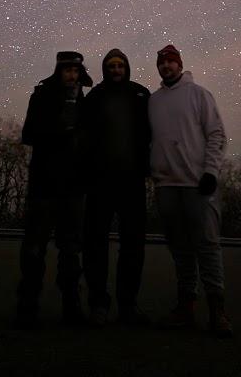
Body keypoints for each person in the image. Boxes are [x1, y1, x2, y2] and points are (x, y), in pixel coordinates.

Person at [148, 43, 232, 337]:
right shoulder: (154, 100)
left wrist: (211, 171)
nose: (166, 67)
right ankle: (186, 306)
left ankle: (217, 310)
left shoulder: (199, 95)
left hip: (196, 185)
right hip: (166, 186)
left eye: (171, 62)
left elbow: (217, 134)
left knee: (207, 246)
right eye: (161, 63)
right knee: (180, 250)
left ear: (179, 64)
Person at [16, 50, 92, 328]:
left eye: (76, 71)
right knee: (34, 248)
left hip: (73, 188)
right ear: (59, 72)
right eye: (67, 70)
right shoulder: (42, 97)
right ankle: (27, 306)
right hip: (44, 186)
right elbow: (29, 134)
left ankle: (72, 307)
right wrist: (62, 129)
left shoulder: (85, 104)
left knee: (71, 250)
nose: (72, 75)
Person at [81, 48, 150, 326]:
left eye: (121, 65)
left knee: (133, 245)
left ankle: (127, 305)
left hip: (132, 181)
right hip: (100, 181)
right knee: (95, 243)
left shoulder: (142, 95)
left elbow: (154, 132)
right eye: (111, 65)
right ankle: (99, 303)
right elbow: (83, 138)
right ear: (105, 69)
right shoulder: (95, 97)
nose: (116, 69)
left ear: (127, 67)